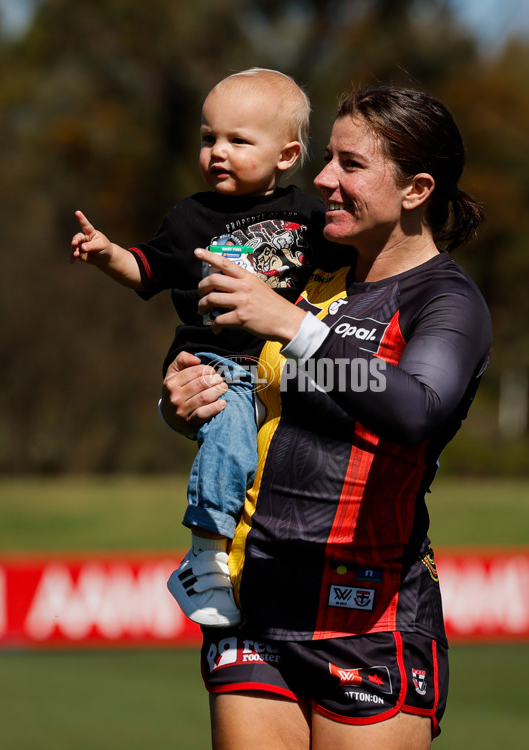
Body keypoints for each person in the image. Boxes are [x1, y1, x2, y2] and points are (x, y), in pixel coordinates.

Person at [160, 85, 492, 749]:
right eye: (327, 158)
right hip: (253, 604)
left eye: (350, 164)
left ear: (417, 189)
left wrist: (292, 325)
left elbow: (415, 407)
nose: (322, 179)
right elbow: (217, 365)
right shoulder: (301, 265)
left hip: (369, 617)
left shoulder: (446, 302)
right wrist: (181, 399)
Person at [70, 68, 346, 628]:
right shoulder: (190, 216)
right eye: (208, 138)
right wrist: (107, 255)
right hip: (215, 361)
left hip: (282, 366)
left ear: (288, 154)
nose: (218, 151)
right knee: (232, 428)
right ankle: (203, 556)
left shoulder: (312, 218)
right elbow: (146, 270)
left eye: (238, 141)